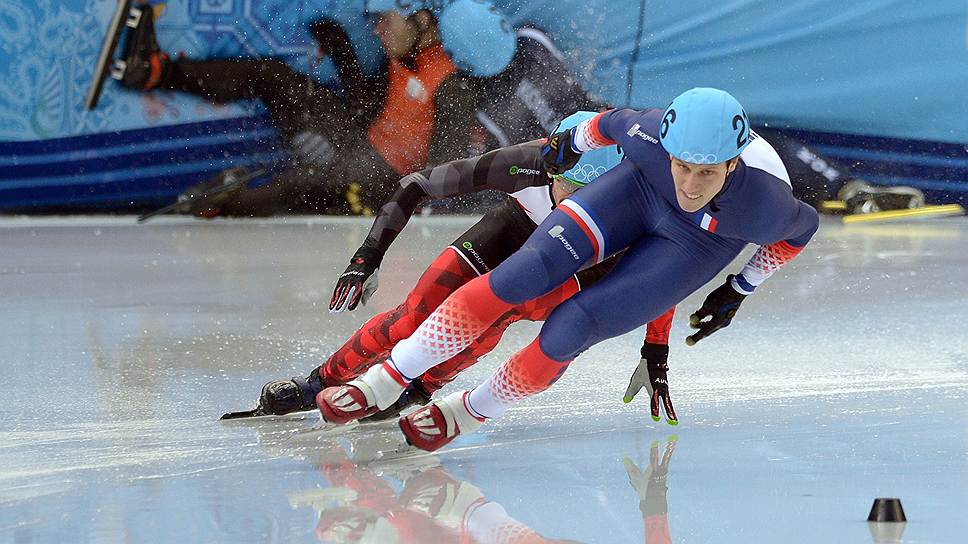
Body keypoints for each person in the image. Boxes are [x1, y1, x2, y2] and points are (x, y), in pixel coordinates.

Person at [314, 88, 820, 452]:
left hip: (701, 238)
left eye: (707, 172)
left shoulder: (765, 207)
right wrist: (571, 144)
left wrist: (740, 286)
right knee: (519, 276)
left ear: (732, 166)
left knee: (570, 328)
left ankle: (472, 411)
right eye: (683, 165)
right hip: (641, 190)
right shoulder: (645, 136)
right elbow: (606, 123)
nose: (691, 184)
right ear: (665, 146)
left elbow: (801, 232)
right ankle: (386, 378)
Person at [251, 111, 680, 426]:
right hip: (510, 234)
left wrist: (655, 351)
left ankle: (420, 388)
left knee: (495, 319)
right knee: (413, 318)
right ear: (552, 167)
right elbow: (416, 184)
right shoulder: (528, 162)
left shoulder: (633, 208)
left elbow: (661, 278)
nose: (571, 206)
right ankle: (318, 381)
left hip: (573, 264)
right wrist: (367, 257)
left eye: (588, 198)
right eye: (565, 189)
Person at [117, 0, 513, 215]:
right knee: (272, 76)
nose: (377, 28)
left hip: (377, 184)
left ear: (424, 20)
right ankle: (151, 71)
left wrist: (375, 196)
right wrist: (341, 50)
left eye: (385, 19)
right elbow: (368, 108)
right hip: (357, 142)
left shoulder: (452, 88)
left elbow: (444, 184)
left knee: (297, 185)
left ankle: (212, 206)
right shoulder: (407, 45)